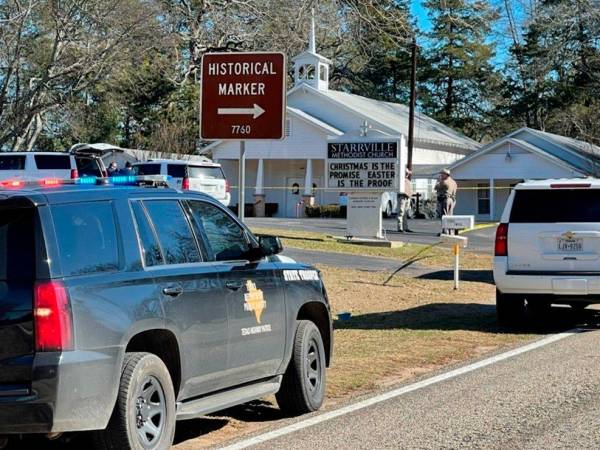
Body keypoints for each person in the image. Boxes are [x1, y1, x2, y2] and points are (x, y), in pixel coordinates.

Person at [435, 168, 457, 235]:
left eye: (442, 174)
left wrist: (438, 181)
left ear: (446, 175)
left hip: (445, 200)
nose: (441, 175)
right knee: (450, 216)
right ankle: (451, 231)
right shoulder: (454, 182)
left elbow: (436, 187)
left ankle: (445, 231)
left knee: (444, 216)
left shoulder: (444, 182)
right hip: (452, 200)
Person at [397, 167, 413, 233]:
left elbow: (410, 190)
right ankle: (400, 228)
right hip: (402, 197)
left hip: (407, 198)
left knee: (405, 213)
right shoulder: (400, 180)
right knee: (401, 212)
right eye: (405, 173)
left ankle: (405, 227)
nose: (407, 174)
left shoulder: (408, 181)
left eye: (407, 173)